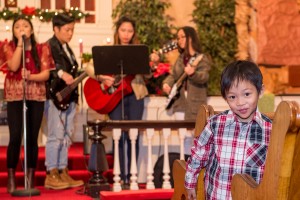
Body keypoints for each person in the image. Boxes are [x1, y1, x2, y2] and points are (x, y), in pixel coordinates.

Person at [185, 60, 272, 200]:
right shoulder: (215, 124)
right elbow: (198, 154)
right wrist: (190, 183)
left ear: (260, 91)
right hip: (217, 195)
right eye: (232, 97)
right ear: (225, 98)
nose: (240, 102)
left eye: (247, 94)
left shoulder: (270, 130)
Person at [85, 16, 151, 184]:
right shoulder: (109, 50)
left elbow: (148, 75)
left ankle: (132, 176)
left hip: (135, 95)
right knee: (118, 135)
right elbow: (89, 67)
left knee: (133, 135)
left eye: (130, 31)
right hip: (115, 96)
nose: (126, 34)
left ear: (134, 33)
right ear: (117, 31)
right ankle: (120, 176)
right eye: (123, 30)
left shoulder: (138, 51)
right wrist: (102, 78)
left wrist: (148, 65)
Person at [0, 16, 54, 193]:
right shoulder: (8, 47)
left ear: (31, 30)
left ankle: (30, 177)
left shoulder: (42, 48)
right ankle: (11, 177)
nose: (21, 29)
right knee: (15, 136)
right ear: (14, 31)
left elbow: (46, 75)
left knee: (32, 138)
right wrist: (21, 46)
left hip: (36, 95)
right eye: (17, 27)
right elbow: (14, 67)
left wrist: (31, 77)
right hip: (15, 96)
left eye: (25, 26)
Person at [150, 26, 211, 155]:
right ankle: (184, 169)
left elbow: (204, 77)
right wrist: (166, 84)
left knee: (196, 137)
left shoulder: (201, 58)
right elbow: (174, 75)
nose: (180, 40)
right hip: (180, 103)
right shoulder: (180, 58)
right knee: (183, 137)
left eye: (183, 36)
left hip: (195, 103)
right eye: (178, 38)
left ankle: (196, 169)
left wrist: (193, 73)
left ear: (191, 37)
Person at [44, 13, 84, 190]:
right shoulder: (49, 46)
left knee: (66, 135)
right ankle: (51, 172)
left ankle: (62, 170)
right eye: (67, 30)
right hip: (56, 96)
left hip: (69, 96)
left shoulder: (66, 47)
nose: (70, 33)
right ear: (56, 29)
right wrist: (61, 74)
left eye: (72, 30)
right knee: (56, 135)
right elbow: (50, 67)